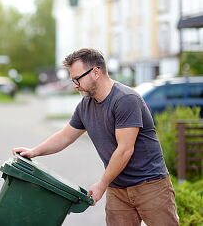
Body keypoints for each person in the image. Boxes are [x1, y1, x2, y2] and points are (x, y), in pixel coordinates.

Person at [12, 48, 179, 225]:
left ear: (96, 72)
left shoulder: (125, 99)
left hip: (150, 186)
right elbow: (65, 136)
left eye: (77, 78)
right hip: (118, 188)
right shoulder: (86, 105)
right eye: (72, 80)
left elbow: (125, 150)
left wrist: (101, 184)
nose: (75, 84)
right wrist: (34, 152)